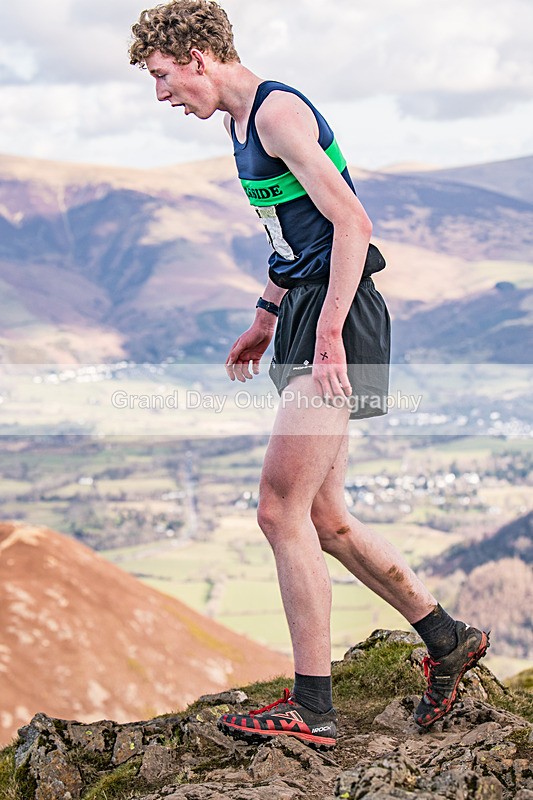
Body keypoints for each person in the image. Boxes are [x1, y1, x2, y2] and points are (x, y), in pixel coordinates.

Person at [129, 0, 489, 749]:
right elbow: (295, 237)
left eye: (163, 77)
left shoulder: (276, 113)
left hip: (340, 317)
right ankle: (447, 637)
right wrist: (265, 316)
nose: (161, 94)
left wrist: (326, 334)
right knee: (324, 519)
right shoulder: (237, 125)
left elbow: (352, 223)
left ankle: (311, 709)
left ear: (198, 56)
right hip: (305, 313)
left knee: (276, 509)